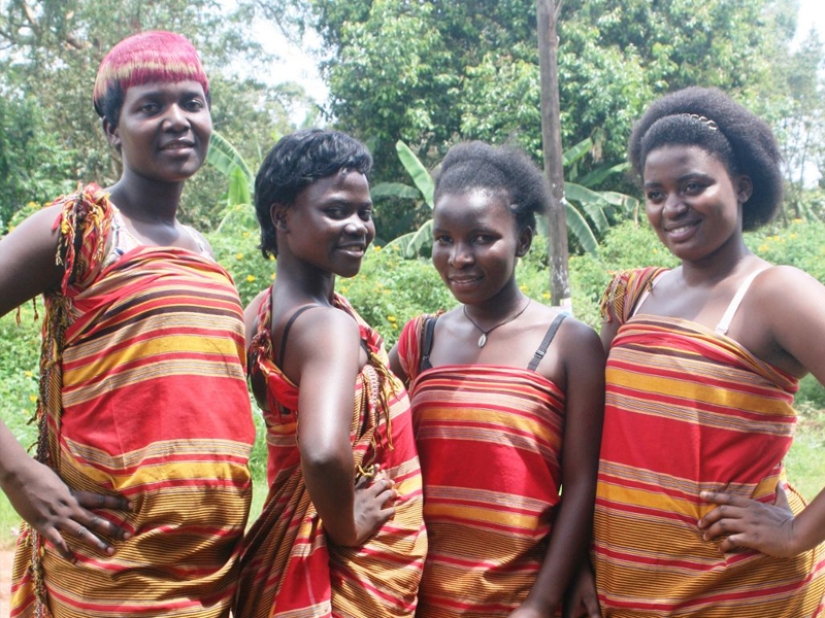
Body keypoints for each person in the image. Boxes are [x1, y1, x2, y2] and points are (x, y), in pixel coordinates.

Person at [1, 31, 256, 617]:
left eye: (192, 102)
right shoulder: (78, 230)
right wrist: (18, 475)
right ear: (113, 129)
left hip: (211, 570)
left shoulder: (203, 251)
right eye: (150, 106)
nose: (178, 119)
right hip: (112, 560)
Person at [584, 87, 825, 617]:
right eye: (655, 193)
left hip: (740, 590)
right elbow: (596, 438)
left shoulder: (775, 293)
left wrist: (795, 533)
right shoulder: (632, 294)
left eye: (693, 186)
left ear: (741, 186)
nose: (672, 207)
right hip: (628, 585)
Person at [389, 141, 606, 617]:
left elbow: (583, 482)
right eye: (444, 238)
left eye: (482, 238)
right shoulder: (418, 341)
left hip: (519, 600)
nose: (459, 256)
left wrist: (544, 599)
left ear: (524, 240)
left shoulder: (571, 344)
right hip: (414, 597)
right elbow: (370, 446)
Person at [233, 129, 427, 618]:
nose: (359, 227)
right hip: (341, 569)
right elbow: (320, 451)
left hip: (286, 556)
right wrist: (349, 524)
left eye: (364, 212)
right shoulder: (327, 327)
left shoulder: (260, 311)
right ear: (281, 217)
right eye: (336, 211)